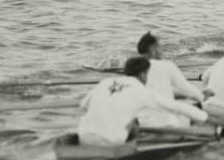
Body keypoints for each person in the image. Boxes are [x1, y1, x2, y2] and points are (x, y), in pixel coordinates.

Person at [77, 56, 209, 146]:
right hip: (111, 141)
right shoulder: (142, 92)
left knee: (131, 121)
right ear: (142, 74)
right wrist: (205, 118)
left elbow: (83, 106)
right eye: (147, 74)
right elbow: (177, 107)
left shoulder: (105, 82)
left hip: (83, 136)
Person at [135, 31, 210, 128]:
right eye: (160, 47)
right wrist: (203, 97)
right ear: (153, 49)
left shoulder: (132, 67)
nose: (162, 51)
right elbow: (188, 90)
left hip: (141, 122)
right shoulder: (166, 65)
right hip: (166, 123)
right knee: (195, 111)